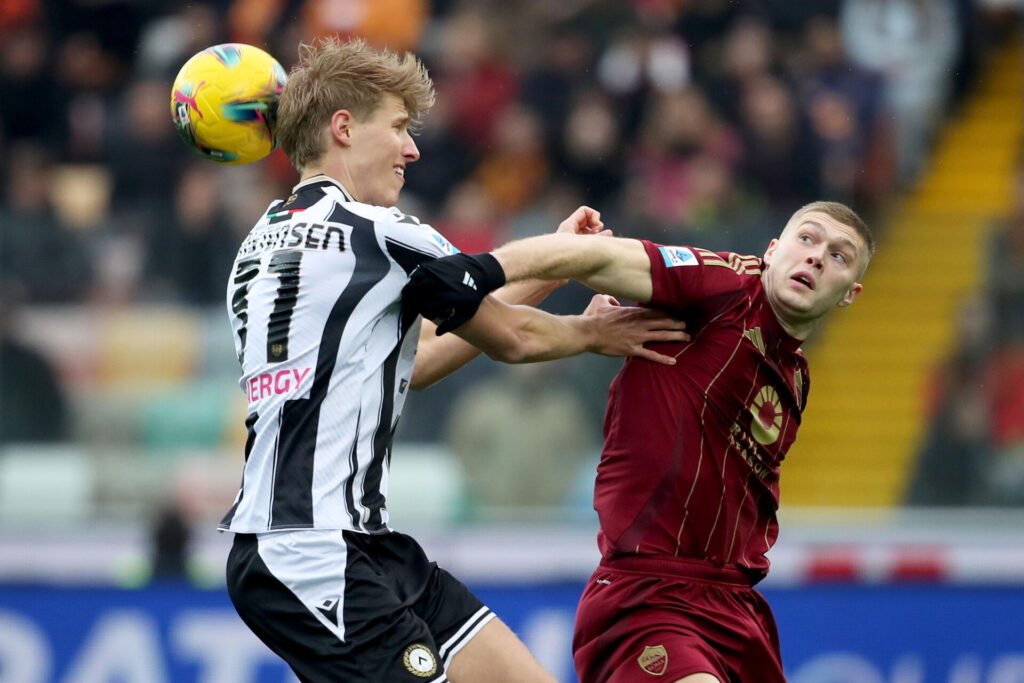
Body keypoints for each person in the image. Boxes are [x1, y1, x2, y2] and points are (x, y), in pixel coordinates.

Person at [219, 37, 687, 683]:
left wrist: (565, 306)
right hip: (310, 548)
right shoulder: (378, 230)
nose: (412, 150)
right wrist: (584, 308)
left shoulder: (258, 246)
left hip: (354, 545)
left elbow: (419, 359)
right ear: (344, 128)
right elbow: (515, 338)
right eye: (400, 128)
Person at [412, 200, 874, 682]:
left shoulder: (794, 379)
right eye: (807, 239)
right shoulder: (720, 285)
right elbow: (593, 260)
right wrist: (479, 269)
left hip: (737, 610)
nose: (818, 256)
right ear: (773, 250)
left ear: (851, 293)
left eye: (839, 255)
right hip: (648, 598)